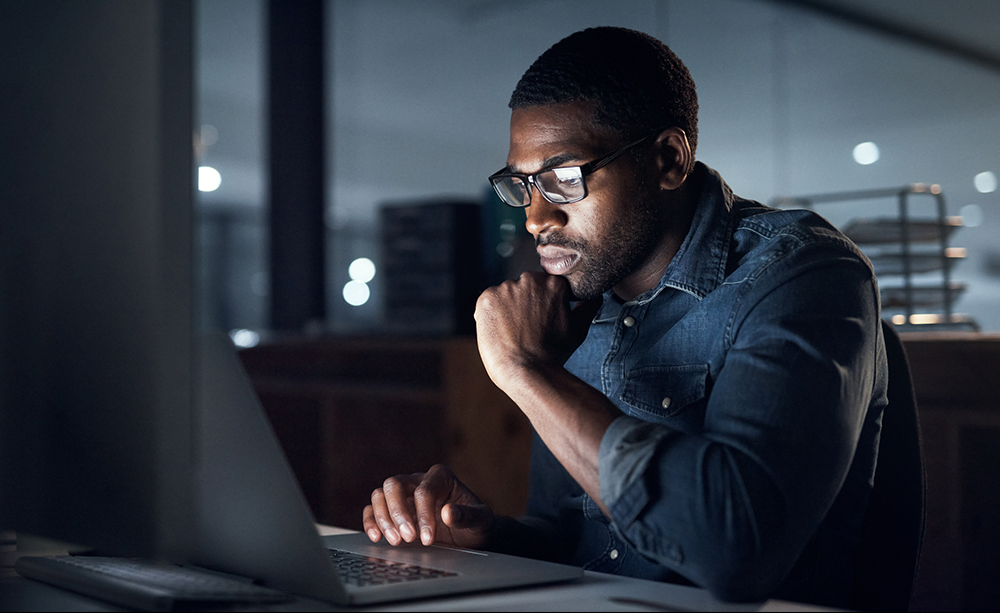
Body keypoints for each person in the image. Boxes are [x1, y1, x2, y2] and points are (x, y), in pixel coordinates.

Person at [363, 26, 887, 607]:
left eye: (564, 179)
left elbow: (739, 551)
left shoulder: (802, 274)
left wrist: (527, 373)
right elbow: (575, 536)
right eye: (523, 185)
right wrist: (487, 537)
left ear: (668, 159)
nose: (536, 218)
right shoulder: (571, 305)